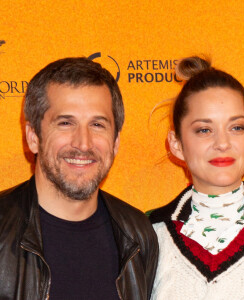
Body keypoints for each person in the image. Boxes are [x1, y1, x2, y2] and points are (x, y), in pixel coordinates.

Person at [0, 57, 158, 300]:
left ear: (115, 142)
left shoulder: (138, 235)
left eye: (97, 124)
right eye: (65, 123)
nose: (83, 143)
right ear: (33, 137)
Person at [148, 56, 244, 299]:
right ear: (176, 144)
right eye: (204, 130)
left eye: (236, 127)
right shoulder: (144, 235)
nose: (222, 143)